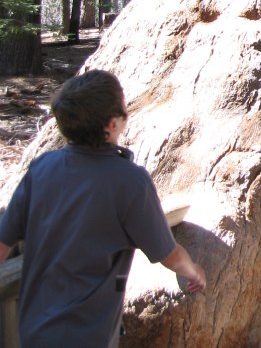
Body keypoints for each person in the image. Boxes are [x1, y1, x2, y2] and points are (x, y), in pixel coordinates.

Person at [0, 70, 206, 346]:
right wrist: (193, 271)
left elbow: (3, 242)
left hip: (34, 330)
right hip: (88, 333)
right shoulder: (129, 180)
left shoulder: (42, 168)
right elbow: (167, 254)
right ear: (112, 124)